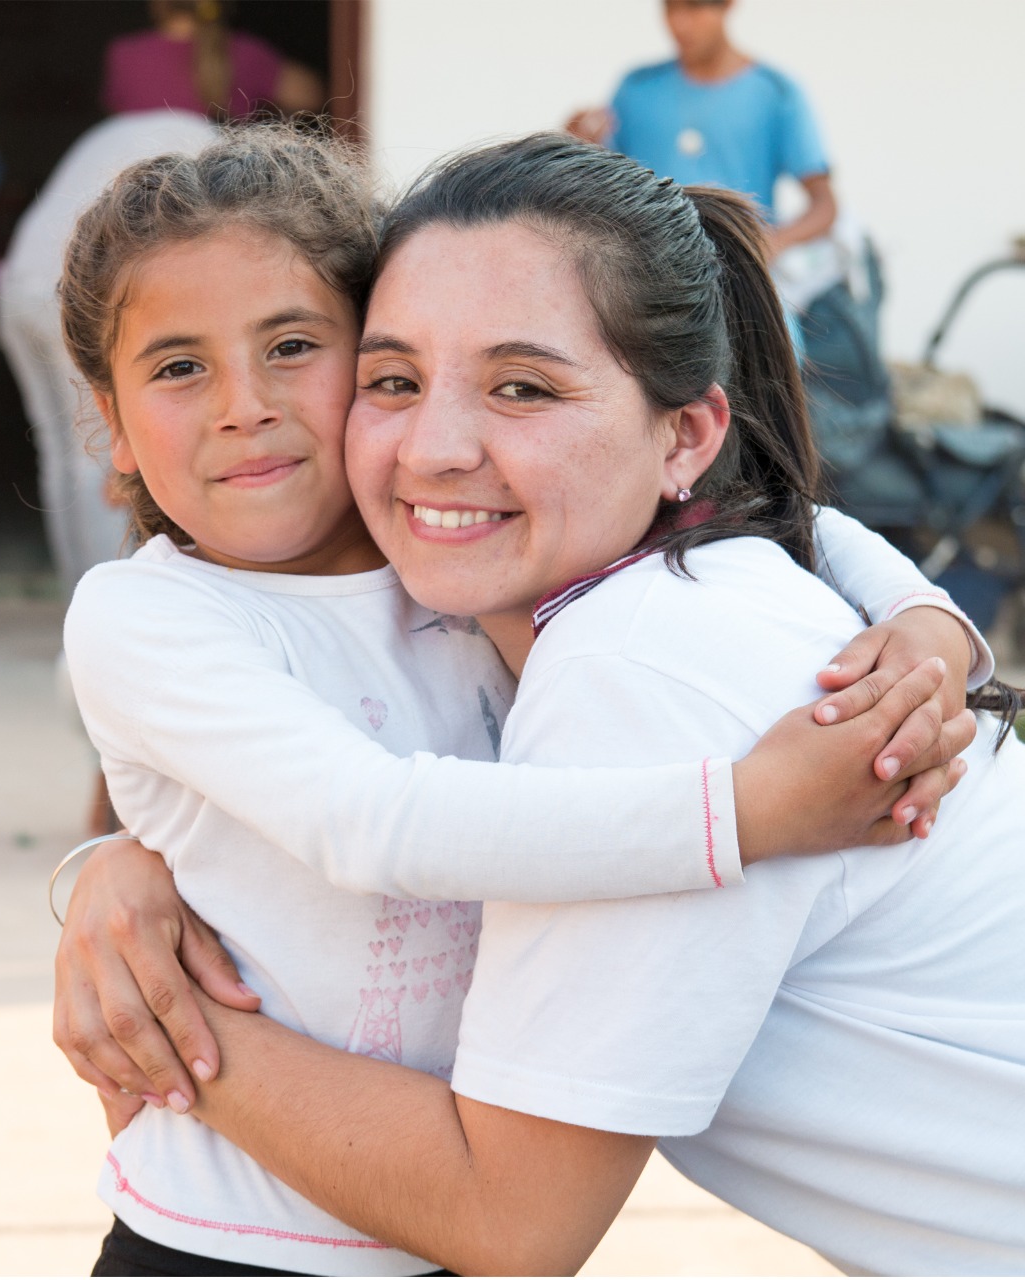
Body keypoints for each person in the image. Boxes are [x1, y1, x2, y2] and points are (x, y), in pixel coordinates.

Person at [66, 136, 1023, 1275]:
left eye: (522, 385)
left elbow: (507, 1219)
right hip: (235, 1241)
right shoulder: (436, 564)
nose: (435, 444)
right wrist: (104, 866)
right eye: (398, 380)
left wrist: (929, 626)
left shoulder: (598, 637)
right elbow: (346, 810)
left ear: (686, 435)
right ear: (111, 425)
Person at [0, 107, 218, 836]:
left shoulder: (168, 142)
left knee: (69, 459)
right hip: (65, 289)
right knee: (108, 466)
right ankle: (97, 611)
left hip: (22, 283)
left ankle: (85, 605)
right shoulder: (212, 182)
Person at [566, 0, 836, 262]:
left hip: (740, 286)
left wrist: (771, 245)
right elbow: (607, 189)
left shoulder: (775, 92)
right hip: (653, 282)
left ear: (728, 4)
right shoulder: (636, 88)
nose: (679, 22)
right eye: (670, 6)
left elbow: (824, 205)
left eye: (695, 6)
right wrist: (577, 149)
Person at [101, 0, 322, 121]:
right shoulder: (245, 53)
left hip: (148, 191)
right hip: (224, 190)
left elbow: (119, 123)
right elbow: (310, 96)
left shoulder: (125, 55)